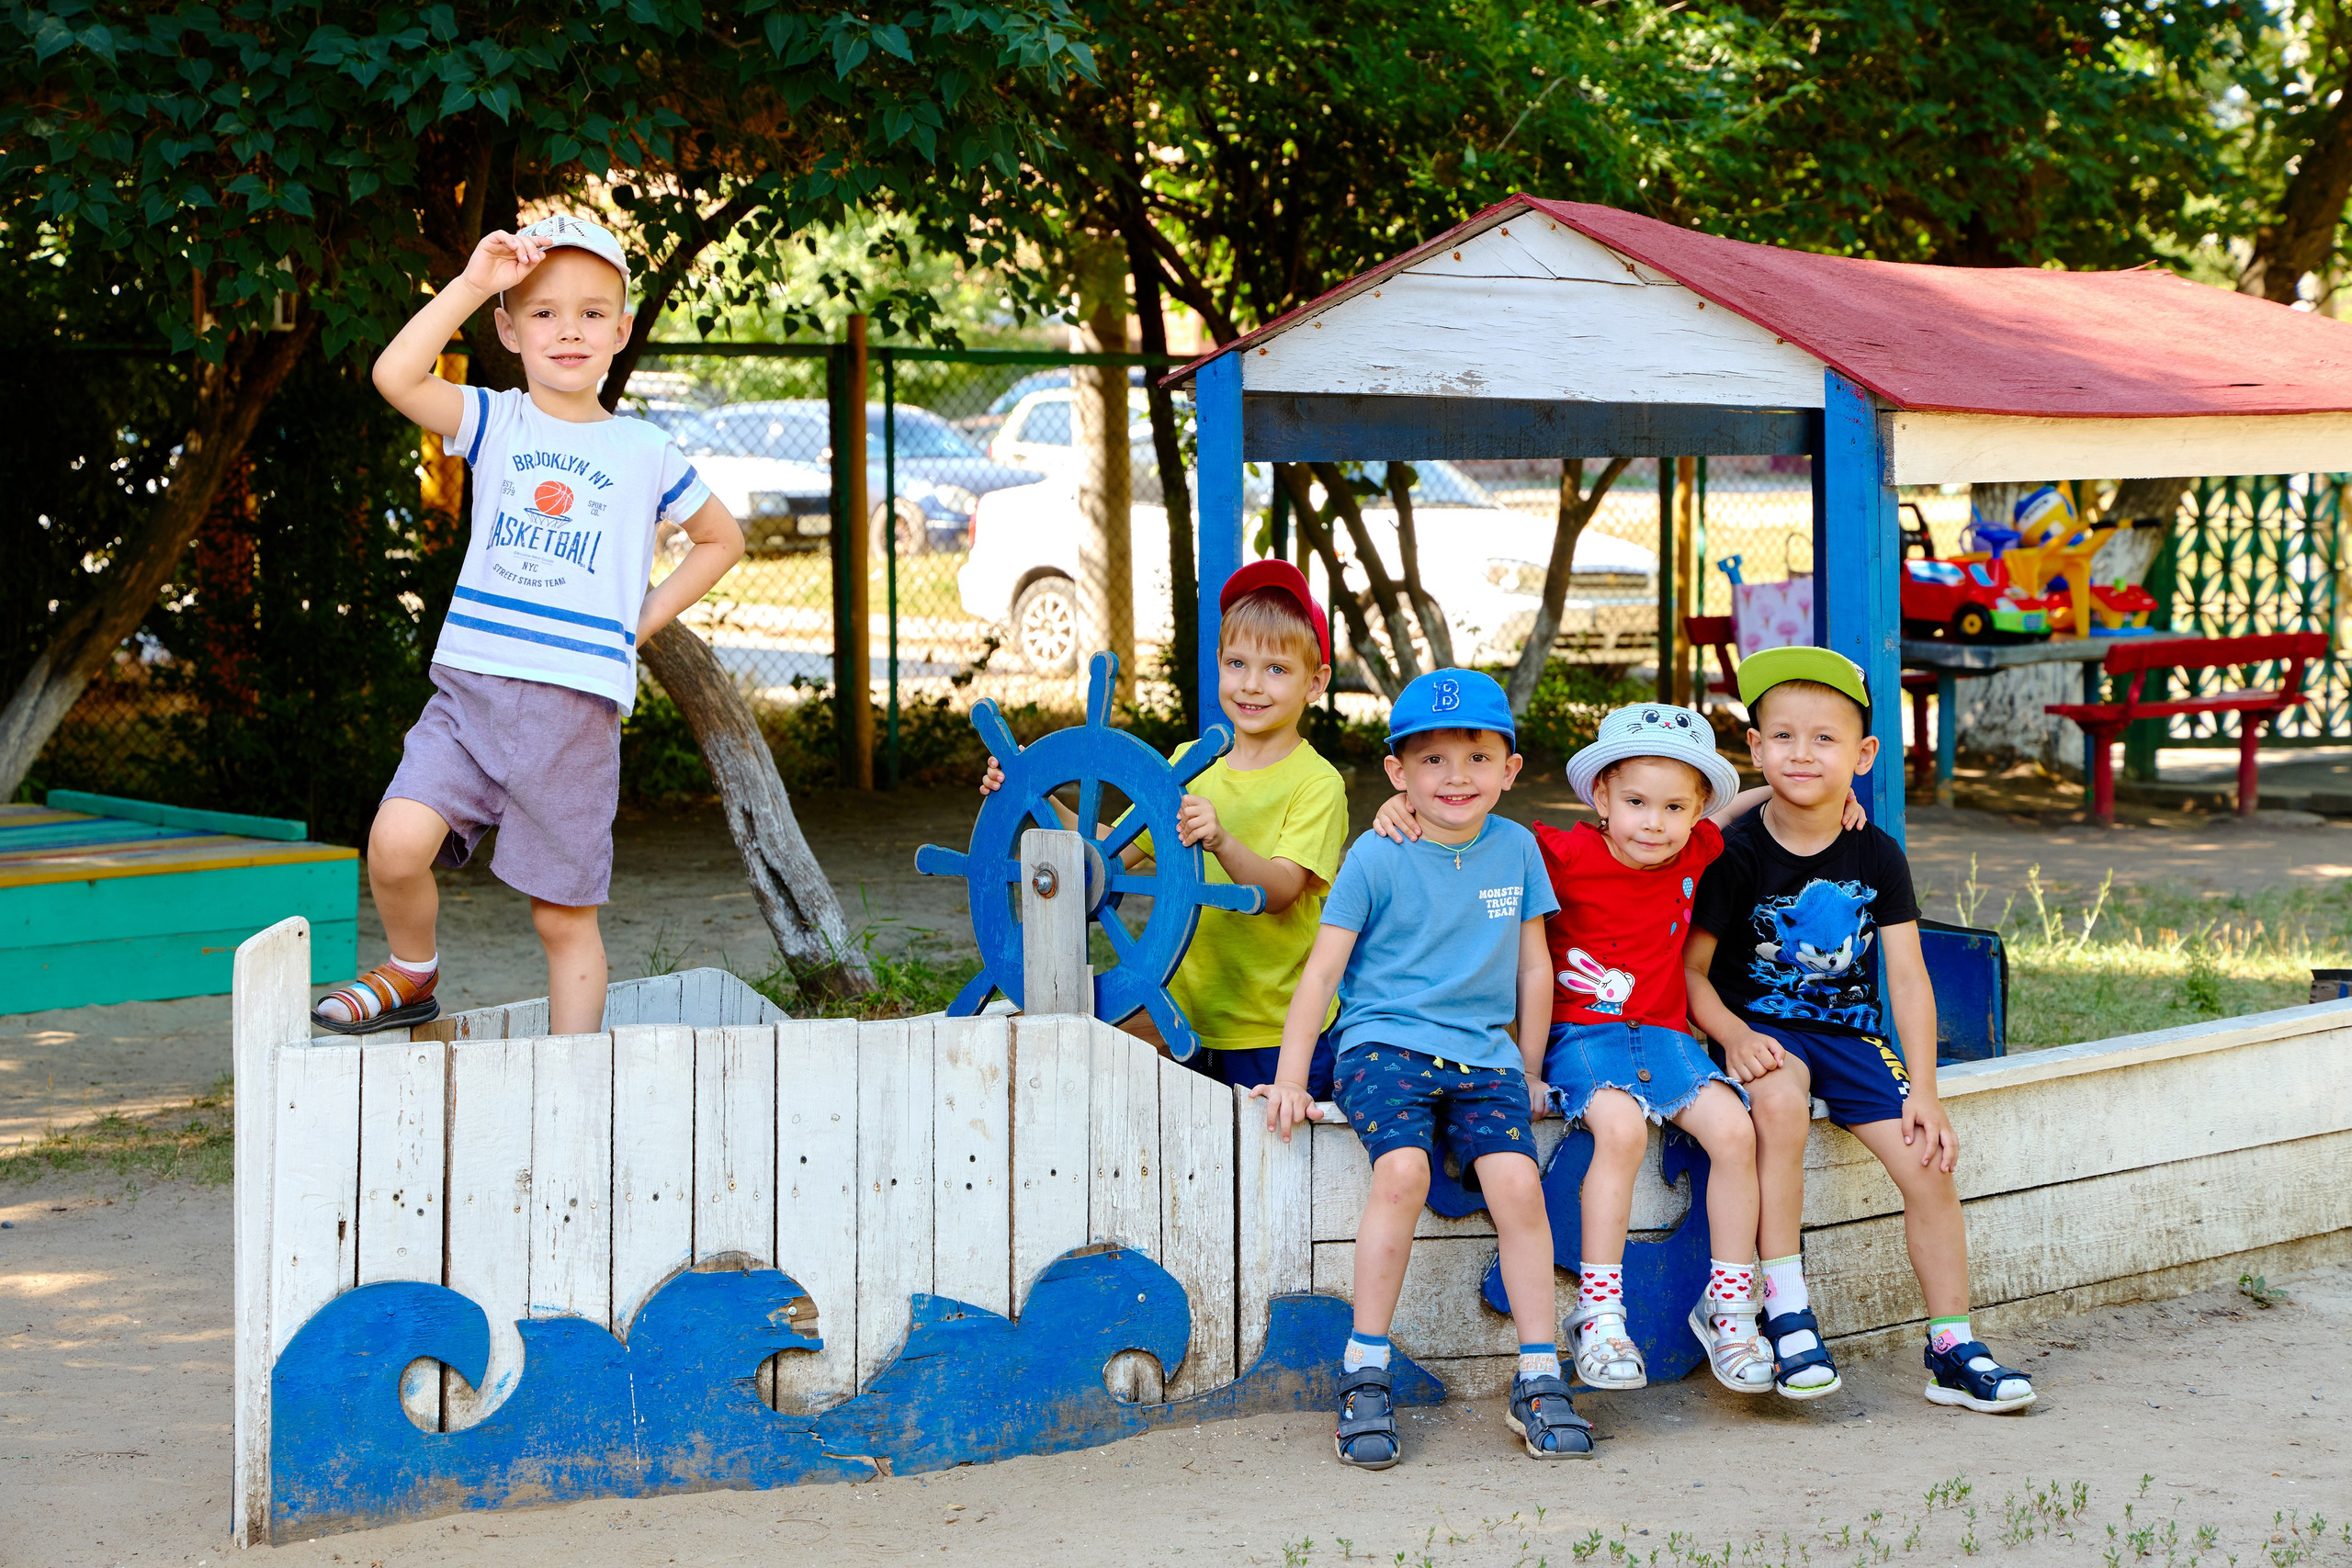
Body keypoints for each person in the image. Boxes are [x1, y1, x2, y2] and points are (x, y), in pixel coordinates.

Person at [314, 217, 744, 1035]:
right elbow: (396, 374)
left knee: (562, 918)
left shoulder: (646, 449)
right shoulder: (497, 421)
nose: (568, 330)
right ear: (509, 331)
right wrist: (476, 281)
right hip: (470, 696)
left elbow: (723, 540)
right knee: (395, 841)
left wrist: (636, 624)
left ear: (622, 330)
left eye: (591, 313)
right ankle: (412, 971)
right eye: (543, 313)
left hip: (575, 717)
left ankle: (571, 1087)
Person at [1374, 704, 1863, 1398]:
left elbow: (1735, 813)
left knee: (1734, 1128)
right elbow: (1469, 821)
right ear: (1600, 798)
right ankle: (1600, 1312)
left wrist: (1824, 793)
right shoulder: (1559, 851)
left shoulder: (1697, 847)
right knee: (1622, 1128)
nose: (1653, 823)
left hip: (1666, 1037)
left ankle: (1729, 1304)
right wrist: (1404, 806)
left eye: (1673, 807)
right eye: (1635, 802)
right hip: (1584, 1035)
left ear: (1695, 812)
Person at [1684, 647, 2036, 1414]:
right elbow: (1692, 970)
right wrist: (1730, 1033)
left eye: (1824, 739)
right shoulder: (1736, 853)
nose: (1801, 754)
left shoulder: (1875, 850)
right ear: (1754, 748)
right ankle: (1786, 1307)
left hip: (1851, 1035)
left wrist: (1928, 1091)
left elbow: (1907, 975)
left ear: (1864, 754)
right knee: (1778, 1104)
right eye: (1782, 737)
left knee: (1928, 1163)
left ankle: (1951, 1344)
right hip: (1763, 1031)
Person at [1255, 670, 1588, 1467]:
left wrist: (1532, 1069)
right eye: (1432, 759)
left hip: (1485, 1056)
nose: (1456, 776)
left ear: (1510, 769)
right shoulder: (1376, 854)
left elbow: (1533, 969)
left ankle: (1539, 1372)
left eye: (1477, 756)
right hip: (1384, 1048)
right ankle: (1365, 1367)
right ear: (1398, 773)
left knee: (1518, 1183)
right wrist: (1295, 1076)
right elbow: (1322, 973)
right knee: (1400, 1169)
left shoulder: (1516, 849)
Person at [982, 559, 1348, 1095]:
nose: (1251, 684)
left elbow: (1282, 891)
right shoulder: (1190, 765)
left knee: (1271, 1166)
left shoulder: (1317, 784)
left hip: (1280, 1030)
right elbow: (1106, 854)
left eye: (1276, 669)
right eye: (1236, 663)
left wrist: (1221, 840)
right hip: (1185, 1016)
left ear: (1314, 683)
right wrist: (1029, 799)